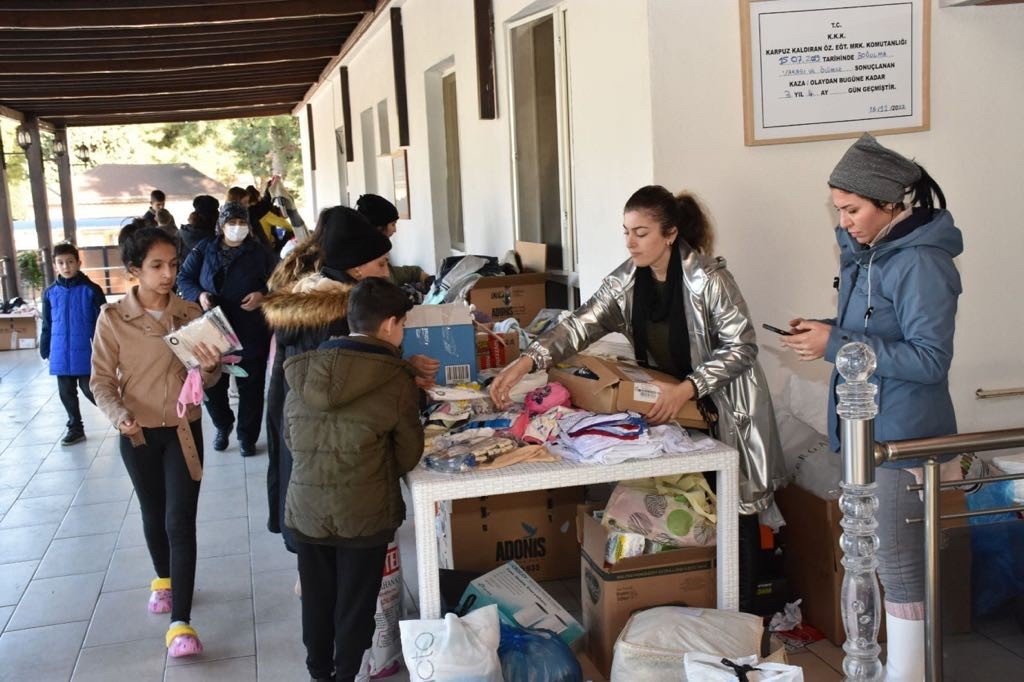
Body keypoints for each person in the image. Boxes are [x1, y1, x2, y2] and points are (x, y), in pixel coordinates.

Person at [781, 133, 961, 681]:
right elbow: (873, 332)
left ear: (890, 203)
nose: (844, 222)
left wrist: (834, 345)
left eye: (852, 210)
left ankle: (909, 673)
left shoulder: (922, 263)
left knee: (901, 572)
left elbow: (930, 359)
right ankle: (897, 669)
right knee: (882, 566)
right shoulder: (870, 253)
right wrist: (828, 330)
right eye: (838, 210)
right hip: (868, 434)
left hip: (903, 439)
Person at [490, 185, 784, 516]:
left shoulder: (710, 280)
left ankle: (742, 568)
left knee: (733, 511)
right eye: (627, 232)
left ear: (670, 234)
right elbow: (577, 326)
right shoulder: (625, 283)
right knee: (689, 511)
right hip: (676, 406)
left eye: (641, 233)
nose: (630, 243)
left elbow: (741, 347)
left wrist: (686, 388)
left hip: (727, 406)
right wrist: (526, 361)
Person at [262, 207, 438, 555]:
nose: (386, 273)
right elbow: (346, 386)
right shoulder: (337, 313)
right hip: (326, 442)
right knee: (327, 526)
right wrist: (401, 378)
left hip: (298, 425)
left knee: (311, 518)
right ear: (357, 268)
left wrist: (401, 365)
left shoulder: (307, 300)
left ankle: (311, 572)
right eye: (381, 265)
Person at [284, 276, 424, 682]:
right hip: (365, 514)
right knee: (355, 604)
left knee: (317, 599)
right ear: (388, 326)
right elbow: (408, 453)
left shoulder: (303, 370)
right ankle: (345, 674)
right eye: (403, 326)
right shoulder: (394, 378)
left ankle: (318, 674)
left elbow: (291, 437)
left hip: (307, 510)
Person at [90, 226, 222, 658]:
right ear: (134, 270)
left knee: (180, 521)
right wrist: (119, 415)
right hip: (139, 434)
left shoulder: (190, 315)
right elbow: (101, 382)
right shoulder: (113, 320)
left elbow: (212, 379)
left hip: (185, 430)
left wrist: (210, 369)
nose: (168, 274)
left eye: (172, 264)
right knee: (153, 511)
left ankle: (180, 623)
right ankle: (163, 577)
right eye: (156, 266)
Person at [177, 201, 278, 456]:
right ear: (221, 225)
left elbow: (281, 280)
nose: (236, 228)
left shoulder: (260, 252)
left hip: (250, 328)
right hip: (212, 328)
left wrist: (262, 294)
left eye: (242, 223)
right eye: (231, 222)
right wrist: (199, 295)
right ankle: (223, 425)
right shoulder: (203, 249)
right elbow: (184, 278)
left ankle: (247, 437)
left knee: (251, 387)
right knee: (212, 383)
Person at [39, 242, 106, 445]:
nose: (66, 266)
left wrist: (106, 349)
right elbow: (47, 323)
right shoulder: (50, 293)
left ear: (79, 262)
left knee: (90, 389)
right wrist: (45, 347)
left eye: (70, 262)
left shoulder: (91, 290)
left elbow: (104, 322)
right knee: (66, 392)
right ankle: (75, 427)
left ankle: (120, 418)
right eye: (61, 263)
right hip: (60, 351)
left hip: (86, 351)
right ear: (54, 265)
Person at [355, 193, 428, 286]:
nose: (395, 230)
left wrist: (417, 273)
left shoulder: (374, 249)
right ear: (379, 226)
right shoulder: (366, 257)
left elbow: (392, 274)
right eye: (393, 224)